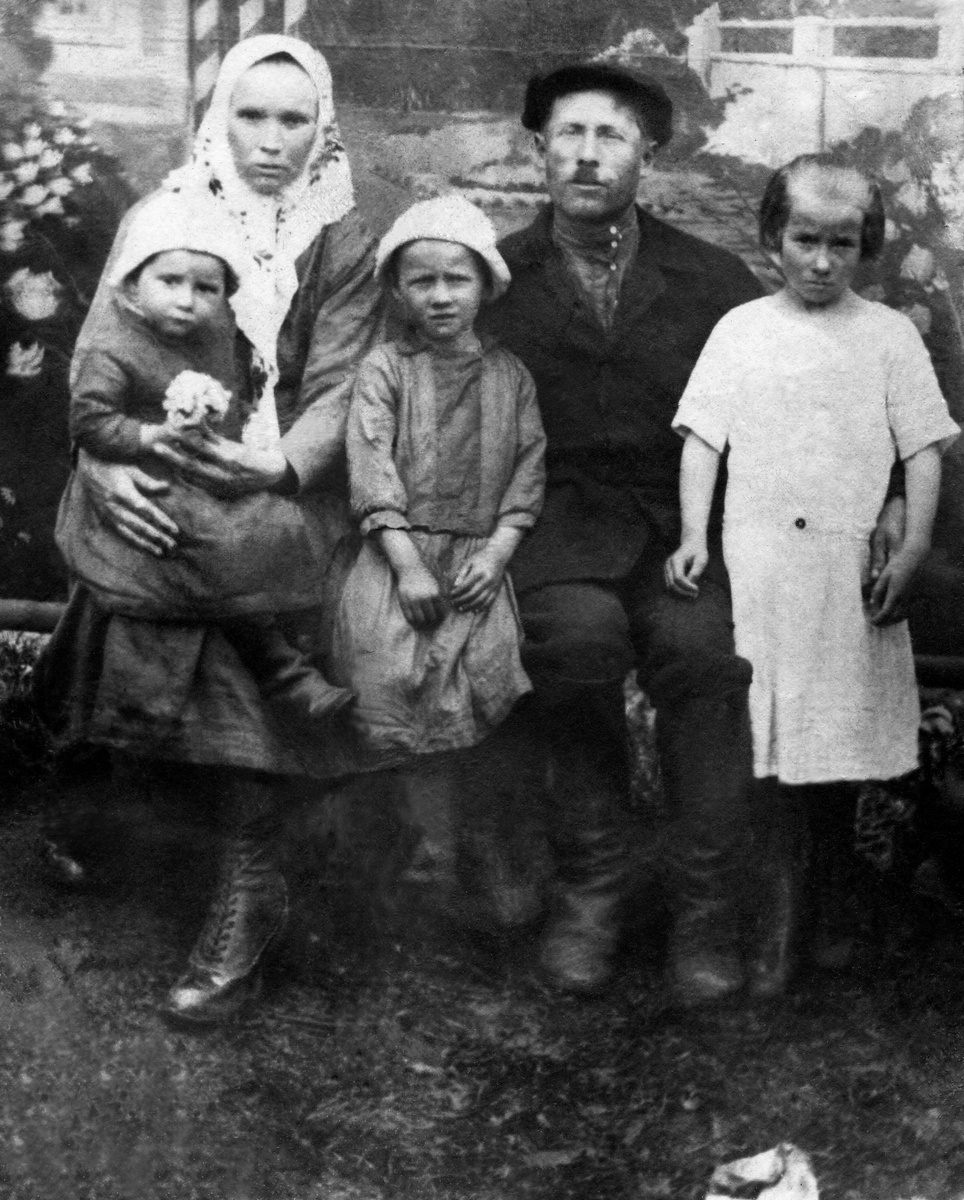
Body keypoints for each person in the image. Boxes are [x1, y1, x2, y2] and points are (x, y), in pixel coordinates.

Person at [478, 62, 907, 1007]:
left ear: (648, 155)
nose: (588, 155)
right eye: (569, 134)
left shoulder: (709, 279)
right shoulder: (498, 278)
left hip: (690, 532)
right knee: (575, 643)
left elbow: (805, 404)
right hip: (554, 528)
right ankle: (595, 885)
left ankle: (703, 903)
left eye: (611, 136)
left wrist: (883, 500)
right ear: (539, 149)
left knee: (706, 656)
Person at [34, 34, 382, 1026]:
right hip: (149, 463)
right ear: (217, 117)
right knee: (159, 546)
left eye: (293, 120)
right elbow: (97, 359)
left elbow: (341, 383)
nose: (270, 141)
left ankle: (247, 881)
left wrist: (278, 465)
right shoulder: (163, 215)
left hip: (293, 478)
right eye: (250, 116)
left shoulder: (344, 237)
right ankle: (121, 795)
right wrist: (104, 465)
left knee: (231, 573)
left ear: (322, 129)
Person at [667, 156, 958, 988]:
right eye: (805, 241)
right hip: (763, 563)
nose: (823, 262)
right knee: (770, 735)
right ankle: (776, 908)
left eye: (842, 244)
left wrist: (911, 549)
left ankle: (831, 899)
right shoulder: (742, 329)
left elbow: (924, 450)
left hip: (846, 568)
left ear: (865, 247)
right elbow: (703, 439)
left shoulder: (889, 335)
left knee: (837, 735)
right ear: (773, 240)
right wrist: (693, 534)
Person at [58, 188, 351, 724]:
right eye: (169, 282)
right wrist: (149, 437)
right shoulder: (113, 348)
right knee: (217, 544)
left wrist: (219, 427)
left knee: (266, 527)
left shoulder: (211, 341)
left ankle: (292, 649)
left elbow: (239, 403)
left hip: (203, 473)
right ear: (132, 285)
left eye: (205, 289)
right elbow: (90, 422)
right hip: (149, 480)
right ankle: (281, 671)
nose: (186, 300)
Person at [334, 194, 545, 761]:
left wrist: (497, 553)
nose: (441, 296)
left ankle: (465, 815)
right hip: (396, 562)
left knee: (481, 689)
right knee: (386, 689)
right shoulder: (385, 369)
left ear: (486, 286)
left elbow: (528, 471)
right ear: (398, 291)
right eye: (422, 281)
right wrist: (407, 568)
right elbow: (371, 468)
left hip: (477, 568)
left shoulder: (511, 376)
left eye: (457, 279)